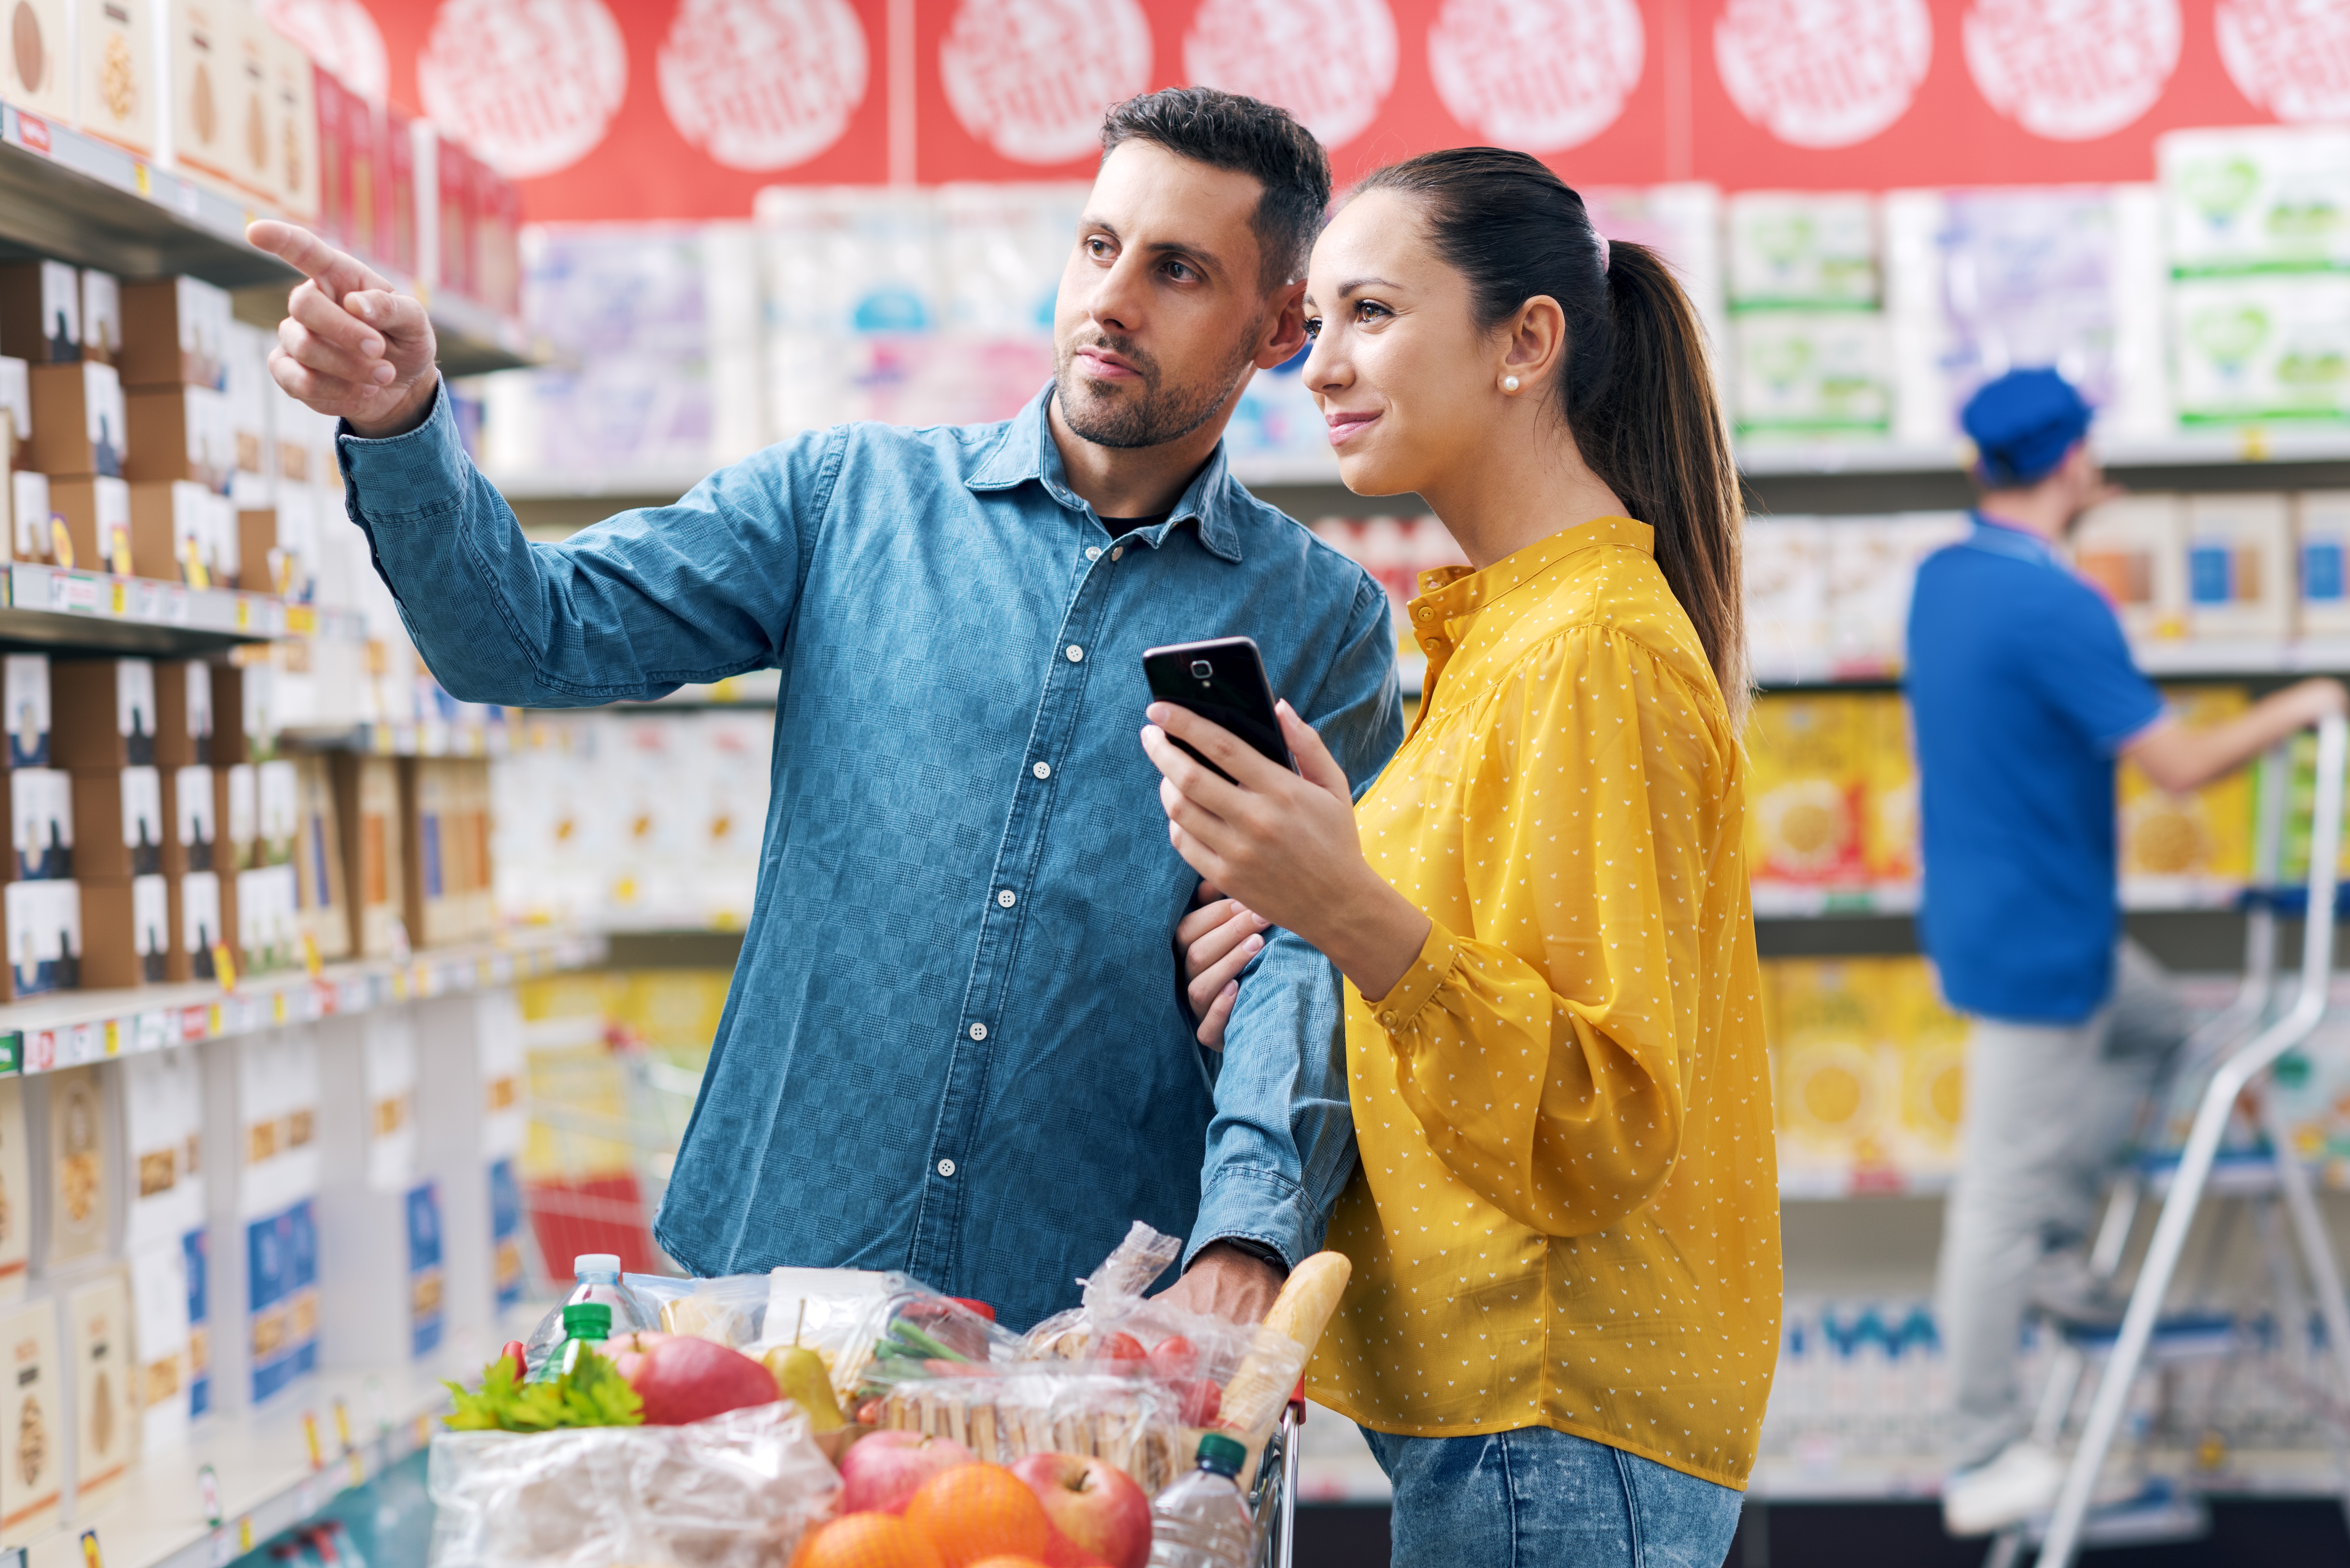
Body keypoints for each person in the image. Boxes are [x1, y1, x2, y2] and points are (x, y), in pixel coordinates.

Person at [250, 87, 1406, 1333]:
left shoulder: (1321, 621)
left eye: (1177, 269)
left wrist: (1246, 1234)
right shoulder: (841, 501)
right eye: (1098, 246)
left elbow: (1313, 967)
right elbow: (525, 634)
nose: (1111, 302)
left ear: (1279, 326)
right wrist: (403, 422)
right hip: (774, 1292)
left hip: (1098, 1329)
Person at [1145, 147, 1777, 1568]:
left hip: (1554, 1415)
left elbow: (1597, 1116)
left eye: (1371, 312)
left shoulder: (1590, 654)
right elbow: (1482, 996)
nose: (1318, 368)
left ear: (1526, 343)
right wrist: (1307, 917)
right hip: (1515, 1421)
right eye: (1318, 326)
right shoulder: (1505, 645)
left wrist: (1350, 908)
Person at [1907, 367, 2348, 1536]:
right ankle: (1982, 1452)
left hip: (2020, 926)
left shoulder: (1946, 579)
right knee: (1997, 1202)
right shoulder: (2053, 603)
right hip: (2041, 947)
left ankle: (2060, 1253)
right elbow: (2181, 765)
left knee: (2186, 1041)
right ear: (2075, 466)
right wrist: (2308, 700)